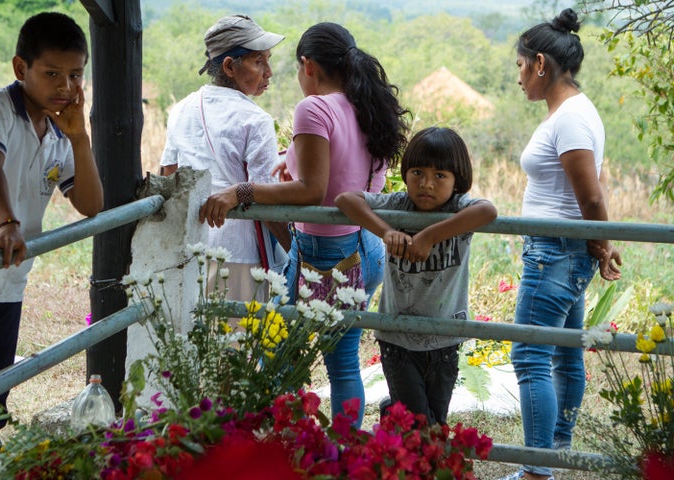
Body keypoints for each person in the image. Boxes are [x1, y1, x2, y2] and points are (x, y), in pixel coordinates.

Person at [199, 22, 410, 426]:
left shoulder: (314, 107)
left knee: (278, 350)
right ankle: (341, 454)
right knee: (338, 358)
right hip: (363, 247)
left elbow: (313, 190)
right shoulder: (366, 104)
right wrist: (288, 156)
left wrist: (240, 191)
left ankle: (292, 443)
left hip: (326, 255)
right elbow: (343, 169)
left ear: (308, 65)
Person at [0, 12, 103, 470]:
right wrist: (6, 223)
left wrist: (80, 137)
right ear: (21, 69)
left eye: (75, 75)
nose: (65, 86)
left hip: (9, 282)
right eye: (51, 73)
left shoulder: (61, 133)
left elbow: (91, 205)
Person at [500, 8, 622, 480]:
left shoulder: (570, 118)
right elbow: (595, 187)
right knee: (566, 352)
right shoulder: (575, 111)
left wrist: (601, 242)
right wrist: (597, 243)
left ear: (540, 64)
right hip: (563, 250)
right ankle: (556, 450)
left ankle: (536, 469)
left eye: (519, 66)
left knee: (530, 353)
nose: (518, 78)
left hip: (555, 252)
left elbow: (590, 194)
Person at [335, 127, 497, 425]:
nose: (426, 184)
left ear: (457, 180)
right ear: (405, 173)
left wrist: (430, 236)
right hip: (397, 338)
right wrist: (386, 231)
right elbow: (346, 199)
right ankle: (395, 417)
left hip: (444, 338)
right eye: (417, 172)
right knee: (421, 428)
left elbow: (488, 211)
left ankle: (390, 415)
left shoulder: (457, 208)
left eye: (440, 176)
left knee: (436, 422)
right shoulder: (398, 205)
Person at [159, 14, 288, 304]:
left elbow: (168, 173)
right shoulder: (256, 120)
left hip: (190, 250)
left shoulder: (181, 109)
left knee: (196, 340)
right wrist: (296, 251)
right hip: (240, 255)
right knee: (238, 343)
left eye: (268, 60)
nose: (268, 72)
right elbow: (266, 197)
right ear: (230, 66)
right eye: (259, 62)